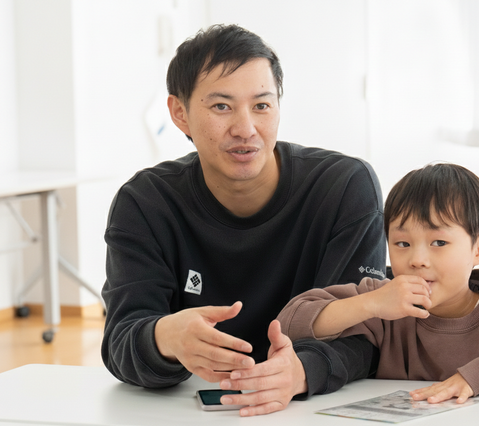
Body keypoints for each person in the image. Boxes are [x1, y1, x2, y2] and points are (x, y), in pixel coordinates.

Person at [101, 24, 386, 416]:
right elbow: (120, 340)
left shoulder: (344, 187)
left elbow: (367, 330)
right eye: (222, 106)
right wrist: (165, 337)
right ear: (180, 113)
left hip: (313, 410)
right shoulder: (146, 202)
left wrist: (302, 372)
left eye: (262, 106)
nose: (246, 129)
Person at [278, 163, 479, 404]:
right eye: (402, 244)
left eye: (439, 243)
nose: (417, 259)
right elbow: (291, 322)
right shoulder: (383, 300)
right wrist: (369, 305)